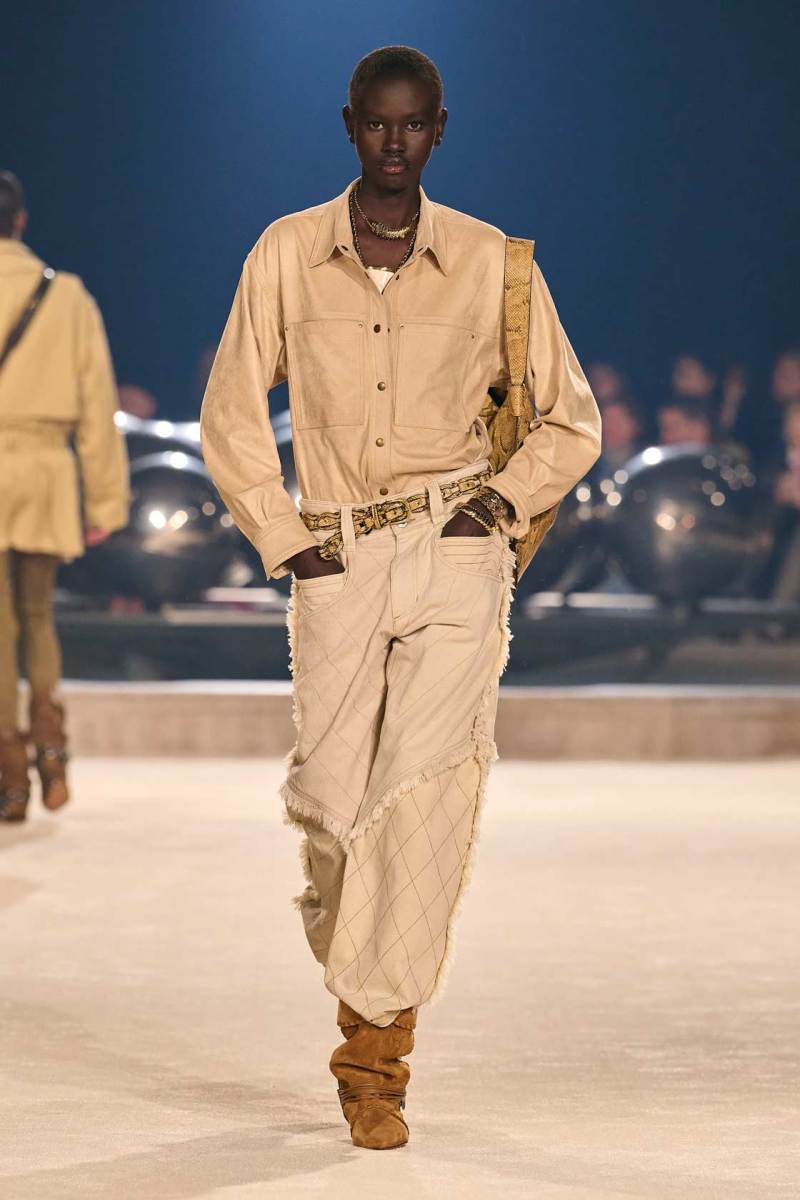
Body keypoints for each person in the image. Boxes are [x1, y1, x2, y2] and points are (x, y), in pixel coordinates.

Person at [200, 45, 601, 1150]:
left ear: (438, 130)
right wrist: (287, 541)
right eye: (376, 124)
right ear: (348, 127)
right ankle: (365, 988)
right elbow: (231, 408)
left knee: (421, 793)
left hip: (452, 551)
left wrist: (497, 509)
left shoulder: (490, 262)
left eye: (412, 124)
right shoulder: (286, 252)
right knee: (334, 808)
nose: (393, 142)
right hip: (334, 555)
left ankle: (376, 1059)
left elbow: (571, 417)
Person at [0, 171, 130, 822]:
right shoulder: (67, 296)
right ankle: (51, 747)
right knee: (39, 615)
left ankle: (9, 773)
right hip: (48, 470)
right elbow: (96, 405)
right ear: (20, 222)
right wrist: (105, 502)